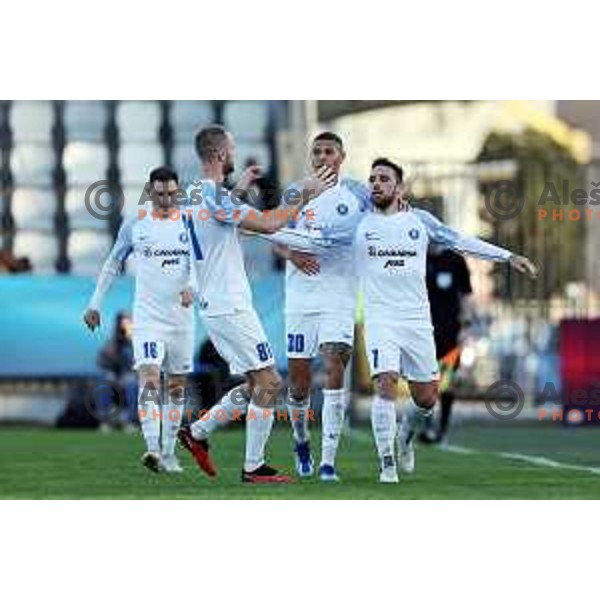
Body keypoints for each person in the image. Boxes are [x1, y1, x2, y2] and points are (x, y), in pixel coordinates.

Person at [354, 158, 537, 483]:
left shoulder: (420, 221)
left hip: (418, 322)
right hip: (381, 320)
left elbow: (461, 240)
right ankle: (386, 465)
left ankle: (406, 435)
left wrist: (508, 256)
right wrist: (272, 234)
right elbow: (320, 237)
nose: (376, 183)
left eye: (384, 178)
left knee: (426, 400)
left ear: (400, 187)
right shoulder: (359, 222)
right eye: (372, 179)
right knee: (385, 385)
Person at [177, 124, 334, 484]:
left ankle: (197, 432)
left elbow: (221, 217)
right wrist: (302, 193)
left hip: (219, 305)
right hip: (228, 305)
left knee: (255, 384)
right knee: (269, 383)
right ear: (219, 154)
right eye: (231, 149)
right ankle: (253, 467)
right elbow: (266, 222)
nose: (234, 154)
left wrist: (243, 184)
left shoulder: (196, 195)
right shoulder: (216, 197)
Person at [84, 166, 194, 474]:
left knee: (175, 386)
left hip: (181, 319)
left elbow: (200, 264)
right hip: (147, 318)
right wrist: (95, 303)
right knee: (148, 377)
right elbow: (112, 263)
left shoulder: (189, 222)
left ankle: (170, 452)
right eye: (160, 194)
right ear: (150, 191)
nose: (166, 200)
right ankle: (152, 449)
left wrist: (193, 288)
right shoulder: (136, 223)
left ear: (178, 191)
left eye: (172, 194)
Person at [273, 131, 370, 481]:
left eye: (329, 151)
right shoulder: (296, 192)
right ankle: (301, 440)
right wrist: (291, 253)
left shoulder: (359, 193)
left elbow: (382, 218)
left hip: (339, 296)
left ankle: (328, 462)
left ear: (341, 156)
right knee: (298, 385)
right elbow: (272, 231)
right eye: (317, 152)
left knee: (334, 365)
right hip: (301, 297)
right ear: (310, 157)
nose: (323, 157)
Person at [420, 245, 474, 444]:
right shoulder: (417, 256)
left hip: (450, 333)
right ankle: (427, 427)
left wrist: (466, 326)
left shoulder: (455, 260)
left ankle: (442, 429)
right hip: (422, 332)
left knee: (446, 382)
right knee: (425, 381)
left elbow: (466, 294)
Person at [96, 311, 137, 432]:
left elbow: (140, 365)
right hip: (113, 379)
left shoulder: (135, 342)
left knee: (132, 385)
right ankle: (105, 421)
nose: (126, 325)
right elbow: (101, 362)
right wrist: (111, 375)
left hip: (131, 379)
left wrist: (130, 375)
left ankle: (131, 421)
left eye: (129, 322)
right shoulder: (111, 343)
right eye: (124, 322)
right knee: (104, 384)